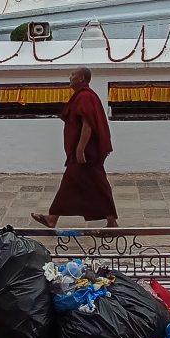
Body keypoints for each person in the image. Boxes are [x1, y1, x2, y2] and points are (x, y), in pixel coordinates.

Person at [31, 66, 118, 228]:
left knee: (92, 183)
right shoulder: (83, 96)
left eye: (73, 75)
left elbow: (88, 125)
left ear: (81, 79)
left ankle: (53, 218)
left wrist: (80, 149)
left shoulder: (85, 96)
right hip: (84, 151)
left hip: (86, 152)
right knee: (78, 184)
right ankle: (110, 220)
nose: (69, 77)